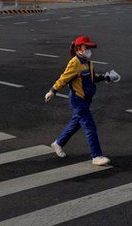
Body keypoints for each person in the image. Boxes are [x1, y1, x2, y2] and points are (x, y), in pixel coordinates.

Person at [45, 35, 119, 166]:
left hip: (85, 99)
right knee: (90, 127)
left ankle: (58, 143)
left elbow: (92, 77)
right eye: (87, 47)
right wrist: (52, 91)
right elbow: (64, 78)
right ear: (79, 49)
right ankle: (96, 156)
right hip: (77, 100)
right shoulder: (75, 62)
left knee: (76, 123)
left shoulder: (88, 63)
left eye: (90, 48)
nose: (89, 50)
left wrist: (106, 77)